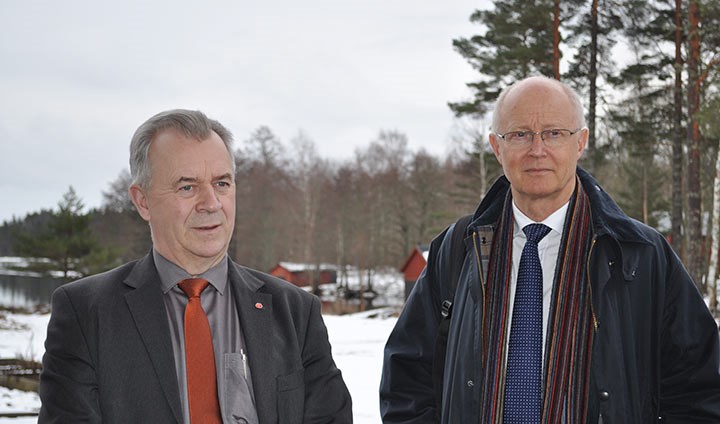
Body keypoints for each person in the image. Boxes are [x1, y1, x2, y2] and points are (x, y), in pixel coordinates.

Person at [379, 76, 720, 423]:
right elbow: (407, 381)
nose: (537, 149)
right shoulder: (458, 250)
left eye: (554, 133)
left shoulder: (640, 255)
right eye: (520, 134)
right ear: (497, 147)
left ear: (581, 142)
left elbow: (699, 390)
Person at [39, 109, 352, 423]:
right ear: (142, 201)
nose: (211, 204)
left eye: (221, 184)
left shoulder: (295, 312)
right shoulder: (86, 313)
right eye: (187, 187)